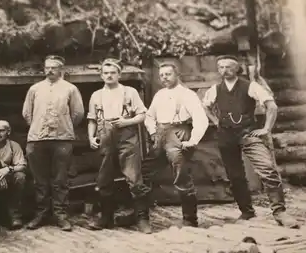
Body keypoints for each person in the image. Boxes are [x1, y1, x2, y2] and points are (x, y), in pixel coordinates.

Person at [202, 55, 299, 229]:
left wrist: (266, 129)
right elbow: (205, 106)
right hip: (226, 137)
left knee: (267, 169)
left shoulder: (250, 86)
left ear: (237, 68)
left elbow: (272, 106)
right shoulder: (215, 89)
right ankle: (246, 212)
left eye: (228, 67)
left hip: (248, 134)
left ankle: (280, 212)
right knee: (235, 176)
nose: (224, 70)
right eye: (221, 67)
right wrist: (216, 122)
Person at [86, 58, 152, 233]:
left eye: (112, 72)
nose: (109, 75)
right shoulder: (96, 95)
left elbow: (142, 115)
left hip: (127, 138)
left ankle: (142, 219)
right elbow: (91, 119)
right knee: (104, 180)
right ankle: (106, 218)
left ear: (119, 74)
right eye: (105, 73)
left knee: (134, 179)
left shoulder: (129, 92)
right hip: (105, 137)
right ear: (101, 75)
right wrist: (91, 137)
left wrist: (126, 121)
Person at [22, 55, 85, 231]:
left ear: (61, 70)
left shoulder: (70, 89)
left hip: (62, 140)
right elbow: (27, 113)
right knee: (39, 180)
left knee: (60, 179)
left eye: (53, 68)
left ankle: (60, 214)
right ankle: (41, 213)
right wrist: (38, 126)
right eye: (47, 67)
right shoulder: (35, 89)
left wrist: (63, 127)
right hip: (37, 139)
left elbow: (78, 113)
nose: (49, 70)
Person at [144, 62, 209, 227]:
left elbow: (201, 119)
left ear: (177, 74)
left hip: (178, 134)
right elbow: (149, 116)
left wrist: (192, 140)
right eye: (162, 75)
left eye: (168, 74)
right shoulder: (159, 94)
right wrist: (152, 132)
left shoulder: (187, 94)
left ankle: (190, 220)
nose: (164, 78)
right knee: (144, 172)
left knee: (181, 177)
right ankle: (141, 216)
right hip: (160, 135)